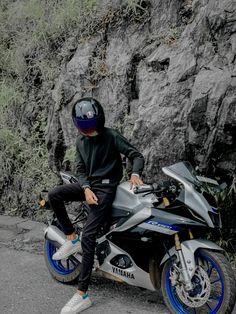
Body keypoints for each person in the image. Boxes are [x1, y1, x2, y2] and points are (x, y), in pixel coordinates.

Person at [48, 97, 144, 314]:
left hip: (107, 189)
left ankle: (82, 295)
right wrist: (85, 189)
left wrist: (135, 173)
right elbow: (81, 170)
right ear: (78, 125)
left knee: (89, 236)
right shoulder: (80, 141)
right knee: (54, 195)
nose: (89, 132)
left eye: (92, 127)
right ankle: (72, 239)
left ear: (99, 122)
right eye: (85, 128)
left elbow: (135, 155)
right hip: (89, 187)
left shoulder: (111, 136)